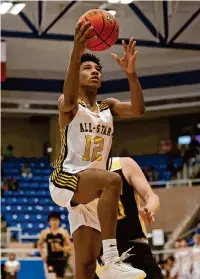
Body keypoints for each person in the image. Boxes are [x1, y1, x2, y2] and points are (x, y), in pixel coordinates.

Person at [49, 19, 145, 279]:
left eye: (97, 69)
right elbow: (68, 98)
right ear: (75, 75)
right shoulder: (68, 105)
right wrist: (76, 53)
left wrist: (131, 74)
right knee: (114, 180)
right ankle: (113, 260)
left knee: (86, 266)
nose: (94, 71)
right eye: (87, 67)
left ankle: (104, 264)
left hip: (93, 193)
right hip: (67, 180)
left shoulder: (108, 108)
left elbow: (137, 110)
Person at [67, 157, 163, 279]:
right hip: (102, 251)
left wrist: (149, 208)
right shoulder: (79, 174)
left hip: (134, 244)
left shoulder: (124, 164)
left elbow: (151, 196)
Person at [37, 212, 72, 279]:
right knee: (51, 277)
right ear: (49, 222)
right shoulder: (45, 232)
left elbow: (70, 247)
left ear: (59, 221)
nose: (54, 222)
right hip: (50, 259)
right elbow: (39, 245)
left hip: (61, 259)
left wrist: (61, 248)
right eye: (52, 220)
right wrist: (42, 254)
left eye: (56, 220)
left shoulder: (63, 232)